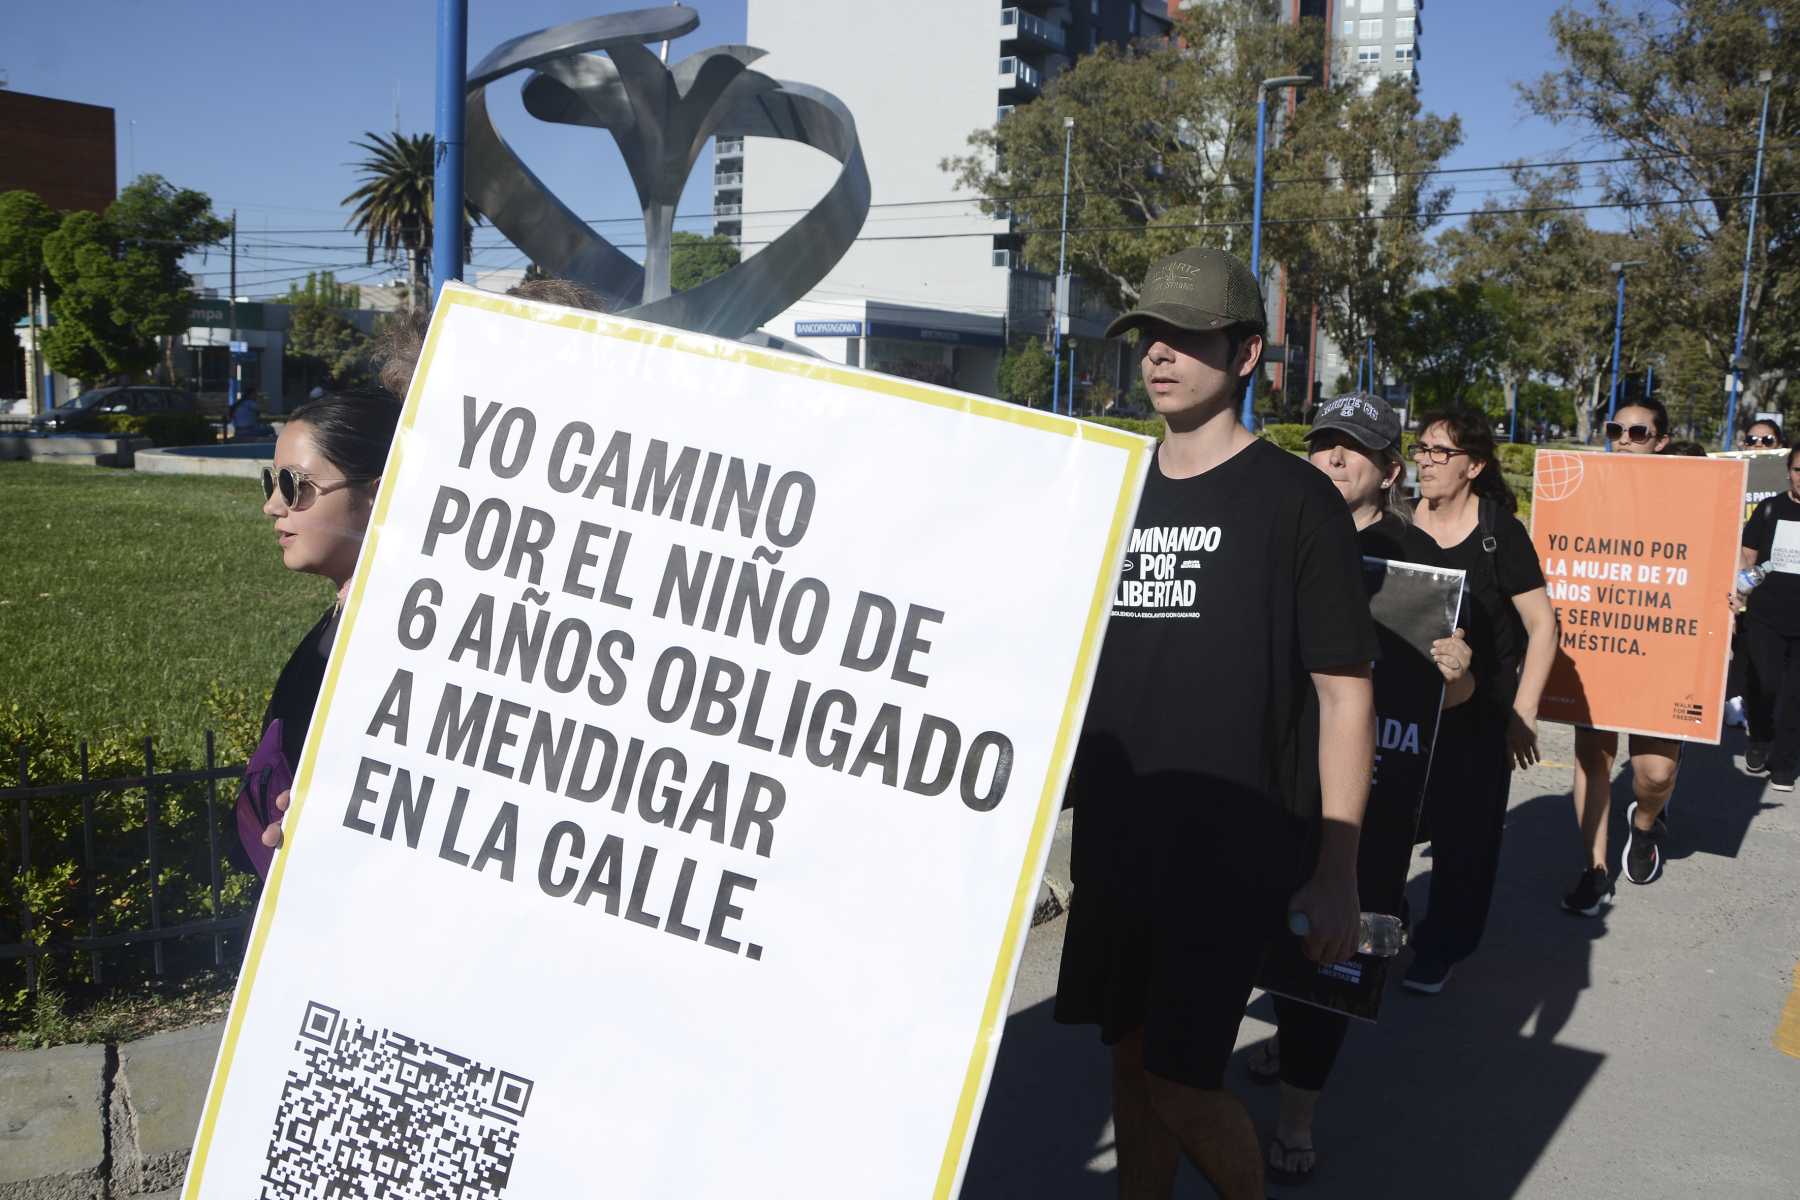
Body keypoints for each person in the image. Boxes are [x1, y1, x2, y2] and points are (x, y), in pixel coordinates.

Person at [1053, 247, 1378, 1200]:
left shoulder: (1298, 500)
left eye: (1188, 336)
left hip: (1234, 849)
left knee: (1181, 1082)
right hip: (1116, 838)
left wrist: (1337, 867)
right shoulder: (1107, 485)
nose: (1159, 353)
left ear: (1244, 355)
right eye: (1150, 334)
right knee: (1129, 1061)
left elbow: (1344, 692)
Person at [1249, 393, 1474, 1184]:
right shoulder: (1279, 532)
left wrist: (1462, 675)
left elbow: (1441, 705)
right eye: (1323, 444)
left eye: (1355, 448)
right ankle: (1284, 1035)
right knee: (1273, 940)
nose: (1334, 458)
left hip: (1362, 797)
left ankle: (1299, 1118)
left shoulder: (1423, 567)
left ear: (1390, 469)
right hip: (1271, 779)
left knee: (1330, 958)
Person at [1404, 408, 1557, 989]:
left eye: (1441, 452)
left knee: (1465, 842)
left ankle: (1442, 946)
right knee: (1389, 822)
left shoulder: (1499, 532)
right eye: (1421, 449)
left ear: (1475, 465)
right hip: (1405, 713)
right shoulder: (1398, 521)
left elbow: (1543, 627)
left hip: (1481, 711)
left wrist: (1523, 711)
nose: (1427, 460)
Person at [233, 391, 402, 870]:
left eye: (294, 484)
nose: (272, 505)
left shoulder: (389, 644)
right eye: (272, 482)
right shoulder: (347, 618)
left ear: (378, 493)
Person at [1562, 399, 1688, 912]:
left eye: (1638, 432)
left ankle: (1645, 824)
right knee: (1594, 756)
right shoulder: (1585, 490)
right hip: (1600, 640)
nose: (1624, 438)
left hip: (1664, 646)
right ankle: (1594, 869)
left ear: (1660, 441)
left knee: (1655, 773)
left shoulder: (1692, 498)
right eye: (1616, 429)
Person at [1739, 441, 1800, 791]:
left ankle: (1785, 763)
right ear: (1788, 471)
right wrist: (1740, 593)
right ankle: (1760, 738)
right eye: (1797, 470)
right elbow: (1747, 557)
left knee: (1796, 695)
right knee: (1765, 684)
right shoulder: (1768, 509)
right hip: (1765, 616)